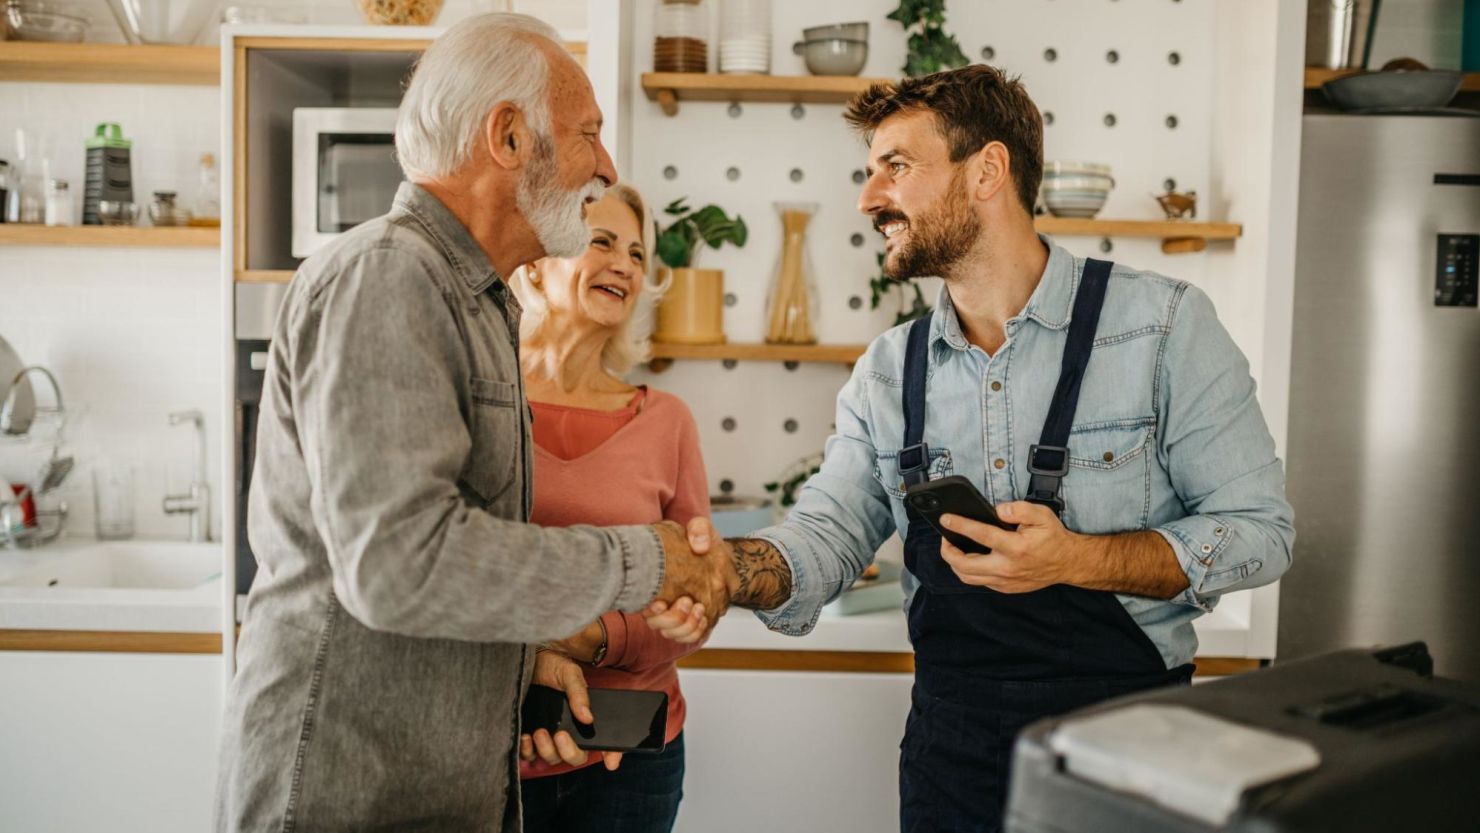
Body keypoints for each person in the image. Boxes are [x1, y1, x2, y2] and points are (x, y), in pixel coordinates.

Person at [669, 65, 1296, 832]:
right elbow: (826, 537)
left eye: (895, 167)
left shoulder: (1162, 328)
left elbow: (1262, 532)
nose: (869, 200)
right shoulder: (886, 373)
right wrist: (726, 572)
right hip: (950, 759)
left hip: (1133, 757)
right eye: (870, 173)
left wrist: (1076, 559)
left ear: (987, 171)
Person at [214, 15, 731, 833]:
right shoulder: (389, 277)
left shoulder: (476, 303)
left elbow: (445, 577)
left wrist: (523, 661)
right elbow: (398, 562)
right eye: (589, 131)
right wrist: (643, 560)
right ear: (510, 136)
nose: (606, 164)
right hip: (347, 798)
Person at [508, 183, 709, 833]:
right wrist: (527, 660)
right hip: (494, 752)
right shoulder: (485, 400)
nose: (623, 263)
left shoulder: (667, 420)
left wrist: (590, 639)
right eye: (601, 242)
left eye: (635, 252)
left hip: (631, 764)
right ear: (537, 262)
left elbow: (694, 599)